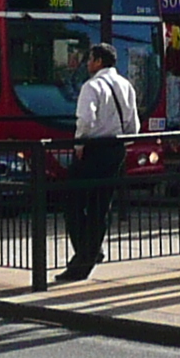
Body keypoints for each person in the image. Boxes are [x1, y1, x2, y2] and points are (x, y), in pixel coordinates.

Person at [59, 42, 138, 282]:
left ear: (99, 62)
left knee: (71, 200)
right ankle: (91, 251)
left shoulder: (91, 86)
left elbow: (85, 120)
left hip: (94, 149)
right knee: (100, 205)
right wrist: (124, 145)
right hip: (116, 149)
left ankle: (85, 254)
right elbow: (134, 124)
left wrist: (79, 145)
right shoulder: (126, 85)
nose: (87, 64)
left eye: (90, 59)